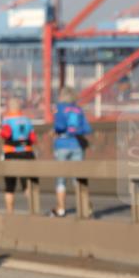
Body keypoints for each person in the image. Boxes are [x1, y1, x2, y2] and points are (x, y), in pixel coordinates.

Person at [51, 86, 92, 217]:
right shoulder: (78, 109)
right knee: (78, 178)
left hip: (62, 144)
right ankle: (84, 208)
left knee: (61, 178)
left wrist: (57, 130)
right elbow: (87, 129)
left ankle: (61, 209)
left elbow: (60, 126)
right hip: (77, 145)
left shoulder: (60, 108)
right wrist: (75, 130)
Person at [0, 97, 37, 214]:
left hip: (11, 153)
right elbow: (33, 138)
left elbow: (6, 134)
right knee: (28, 184)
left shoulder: (7, 120)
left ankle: (10, 214)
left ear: (9, 108)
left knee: (10, 186)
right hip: (27, 153)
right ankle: (33, 211)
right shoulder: (27, 120)